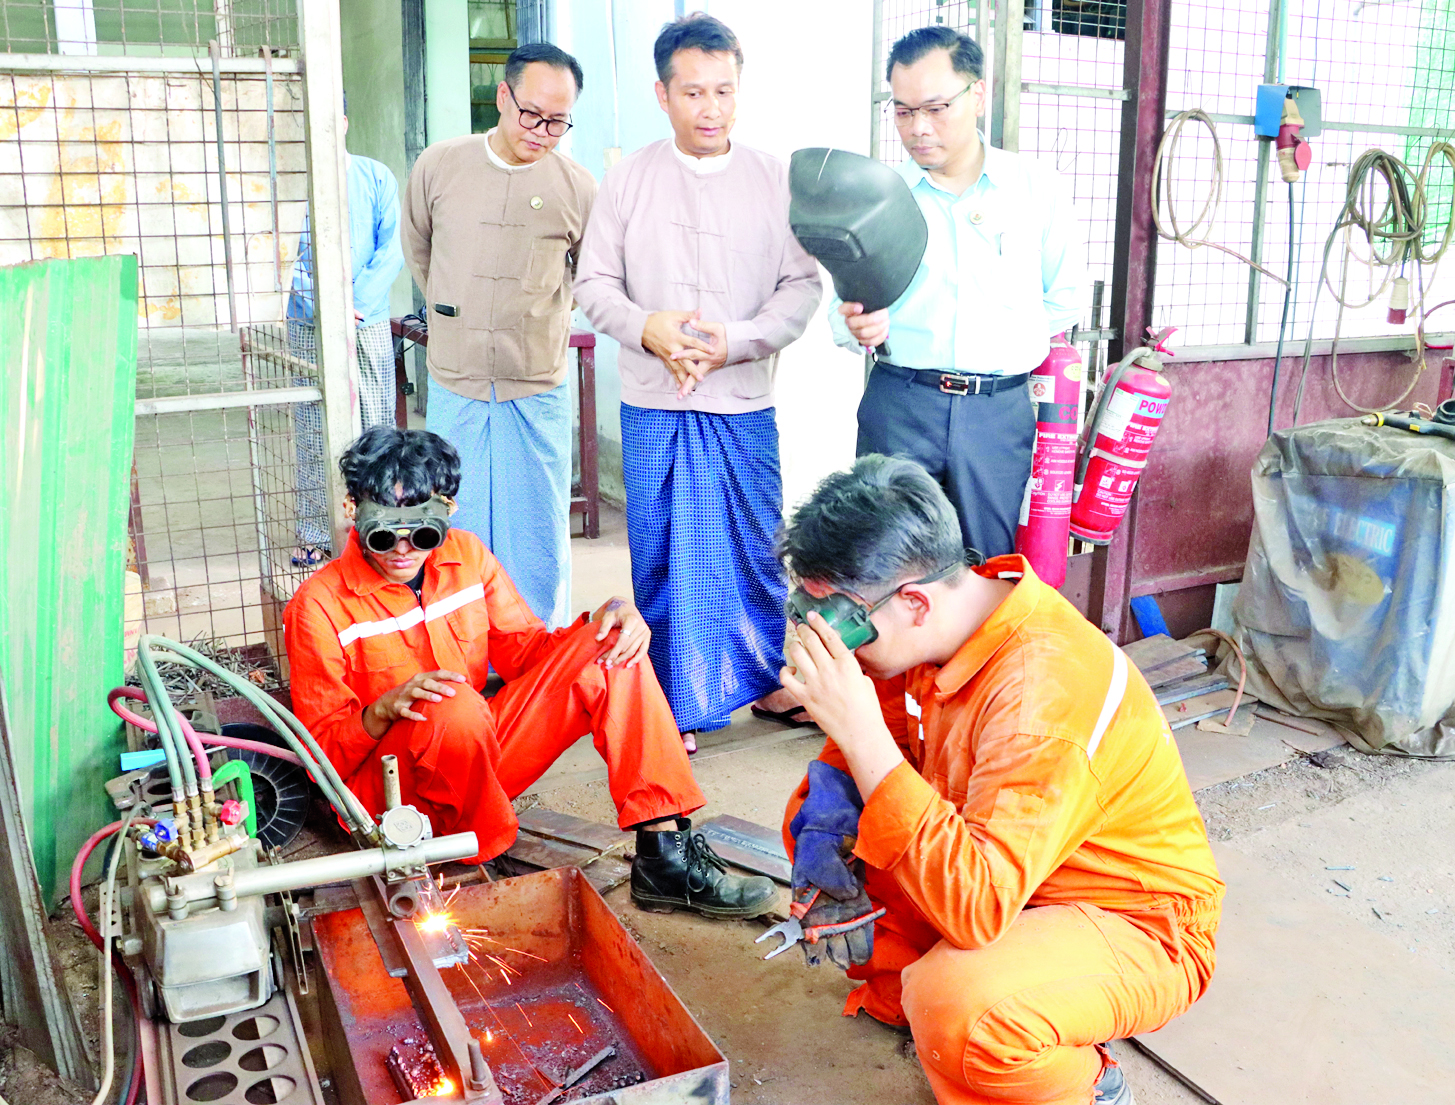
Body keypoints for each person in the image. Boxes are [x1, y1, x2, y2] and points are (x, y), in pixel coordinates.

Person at [775, 456, 1223, 1105]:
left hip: (1134, 919)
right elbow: (872, 757)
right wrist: (825, 820)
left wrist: (860, 734)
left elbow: (977, 906)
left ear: (915, 602)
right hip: (1014, 876)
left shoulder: (1042, 696)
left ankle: (1089, 1086)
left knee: (958, 1007)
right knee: (825, 815)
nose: (835, 646)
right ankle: (927, 991)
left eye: (843, 625)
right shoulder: (932, 631)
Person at [284, 427, 777, 920]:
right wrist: (383, 710)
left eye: (421, 532)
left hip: (474, 759)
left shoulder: (468, 557)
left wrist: (608, 616)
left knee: (611, 646)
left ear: (447, 511)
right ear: (352, 510)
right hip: (391, 797)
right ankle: (475, 856)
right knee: (451, 703)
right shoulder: (318, 606)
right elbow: (322, 759)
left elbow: (528, 653)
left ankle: (664, 854)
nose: (402, 549)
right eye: (384, 532)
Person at [574, 13, 822, 749]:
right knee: (663, 552)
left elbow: (800, 287)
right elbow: (594, 283)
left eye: (724, 91)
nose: (710, 108)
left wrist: (734, 342)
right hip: (655, 399)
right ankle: (672, 701)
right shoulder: (628, 179)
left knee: (754, 547)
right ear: (662, 94)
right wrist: (647, 328)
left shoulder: (776, 178)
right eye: (693, 93)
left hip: (741, 398)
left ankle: (766, 679)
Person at [834, 26, 1088, 560]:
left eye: (935, 108)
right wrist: (857, 325)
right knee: (885, 565)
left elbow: (1064, 297)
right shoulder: (878, 199)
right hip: (901, 404)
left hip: (997, 415)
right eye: (904, 112)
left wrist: (997, 345)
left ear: (977, 95)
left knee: (986, 568)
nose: (918, 128)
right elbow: (842, 313)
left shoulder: (1034, 189)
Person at [401, 43, 597, 628]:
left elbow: (591, 272)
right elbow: (420, 249)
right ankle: (462, 641)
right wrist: (456, 309)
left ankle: (537, 642)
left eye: (558, 122)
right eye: (531, 114)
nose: (542, 132)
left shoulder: (577, 187)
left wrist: (540, 316)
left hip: (534, 380)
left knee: (536, 520)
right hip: (456, 376)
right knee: (456, 515)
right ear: (502, 96)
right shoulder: (441, 165)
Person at [287, 94, 404, 566]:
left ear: (344, 121)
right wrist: (325, 305)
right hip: (309, 321)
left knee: (376, 421)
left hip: (367, 320)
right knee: (313, 426)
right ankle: (316, 533)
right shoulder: (286, 185)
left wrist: (355, 303)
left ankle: (379, 523)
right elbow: (281, 257)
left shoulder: (376, 177)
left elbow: (392, 249)